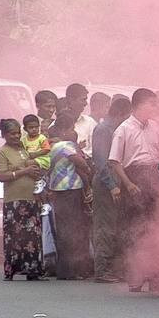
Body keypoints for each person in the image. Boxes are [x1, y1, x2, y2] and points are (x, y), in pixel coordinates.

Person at [108, 89, 159, 292]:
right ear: (139, 105)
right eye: (151, 103)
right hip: (134, 177)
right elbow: (115, 162)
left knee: (157, 225)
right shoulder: (123, 129)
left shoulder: (155, 127)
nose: (155, 108)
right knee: (135, 227)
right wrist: (127, 184)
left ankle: (156, 275)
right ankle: (135, 276)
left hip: (153, 175)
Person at [0, 118, 46, 281]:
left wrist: (34, 172)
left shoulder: (23, 149)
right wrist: (24, 171)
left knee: (32, 236)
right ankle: (11, 269)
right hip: (14, 202)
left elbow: (31, 165)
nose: (16, 136)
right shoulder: (2, 152)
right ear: (4, 135)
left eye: (18, 133)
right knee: (15, 236)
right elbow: (2, 175)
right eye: (12, 134)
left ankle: (33, 270)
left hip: (31, 199)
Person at [90, 95, 131, 283]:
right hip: (106, 184)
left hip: (116, 183)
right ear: (122, 113)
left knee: (115, 226)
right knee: (105, 226)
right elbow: (100, 161)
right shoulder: (103, 130)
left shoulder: (115, 129)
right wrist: (112, 185)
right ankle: (102, 269)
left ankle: (113, 267)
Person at [47, 117, 94, 280]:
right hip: (69, 190)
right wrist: (87, 168)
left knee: (66, 229)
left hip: (61, 191)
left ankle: (68, 269)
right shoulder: (63, 145)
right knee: (72, 229)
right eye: (71, 127)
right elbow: (80, 162)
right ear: (64, 130)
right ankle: (71, 269)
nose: (74, 131)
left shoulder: (54, 146)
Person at [64, 83, 97, 152]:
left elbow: (95, 150)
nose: (86, 103)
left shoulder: (90, 123)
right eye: (83, 99)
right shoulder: (55, 125)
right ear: (71, 100)